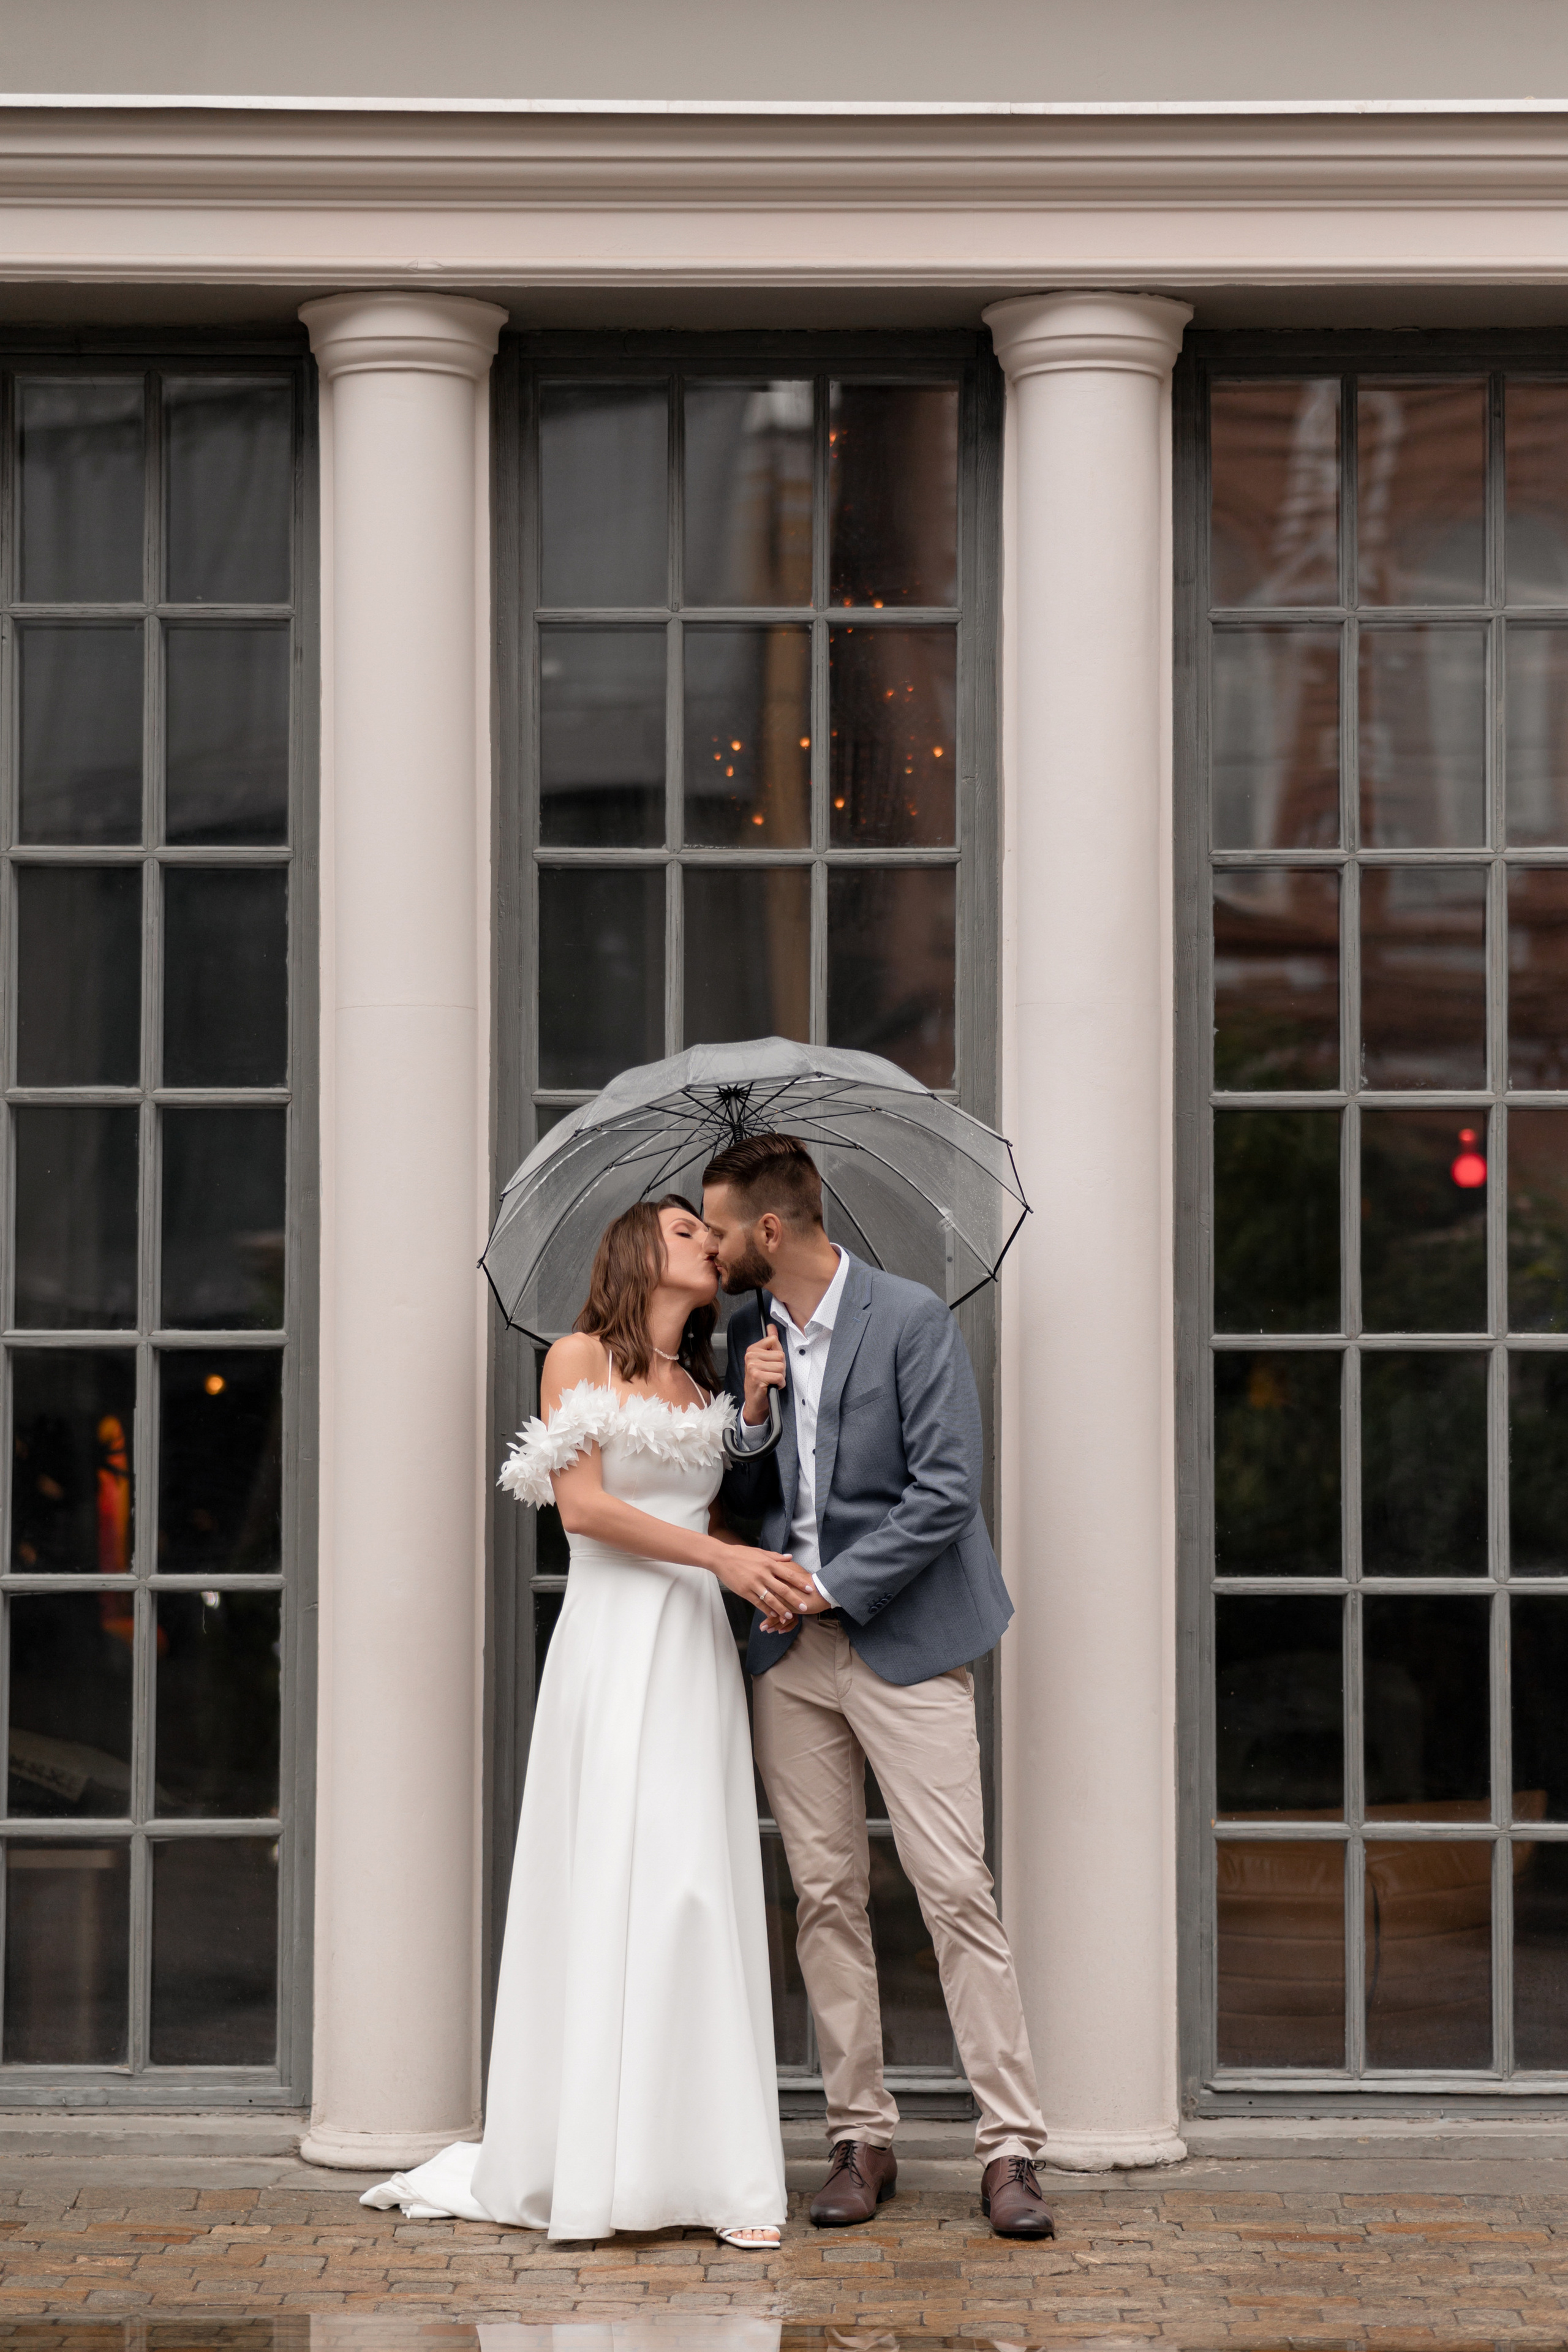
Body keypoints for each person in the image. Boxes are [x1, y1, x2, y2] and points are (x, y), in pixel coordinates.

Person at [362, 1195, 813, 2247]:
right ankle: (592, 2165)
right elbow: (588, 1512)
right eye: (688, 1229)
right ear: (635, 1251)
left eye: (714, 1232)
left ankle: (713, 2173)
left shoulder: (702, 1379)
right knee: (614, 1875)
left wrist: (747, 1413)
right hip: (614, 1645)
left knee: (694, 1885)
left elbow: (708, 1487)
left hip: (693, 1650)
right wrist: (727, 1559)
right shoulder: (576, 1357)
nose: (710, 1239)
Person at [703, 1133, 1055, 2241]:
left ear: (772, 1229)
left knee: (956, 1890)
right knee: (823, 1895)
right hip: (787, 1661)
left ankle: (1012, 2151)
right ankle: (861, 2137)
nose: (709, 1250)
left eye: (719, 1229)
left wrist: (828, 1589)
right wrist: (752, 1415)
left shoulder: (910, 1320)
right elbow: (738, 1491)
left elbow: (945, 1492)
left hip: (903, 1639)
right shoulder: (743, 1331)